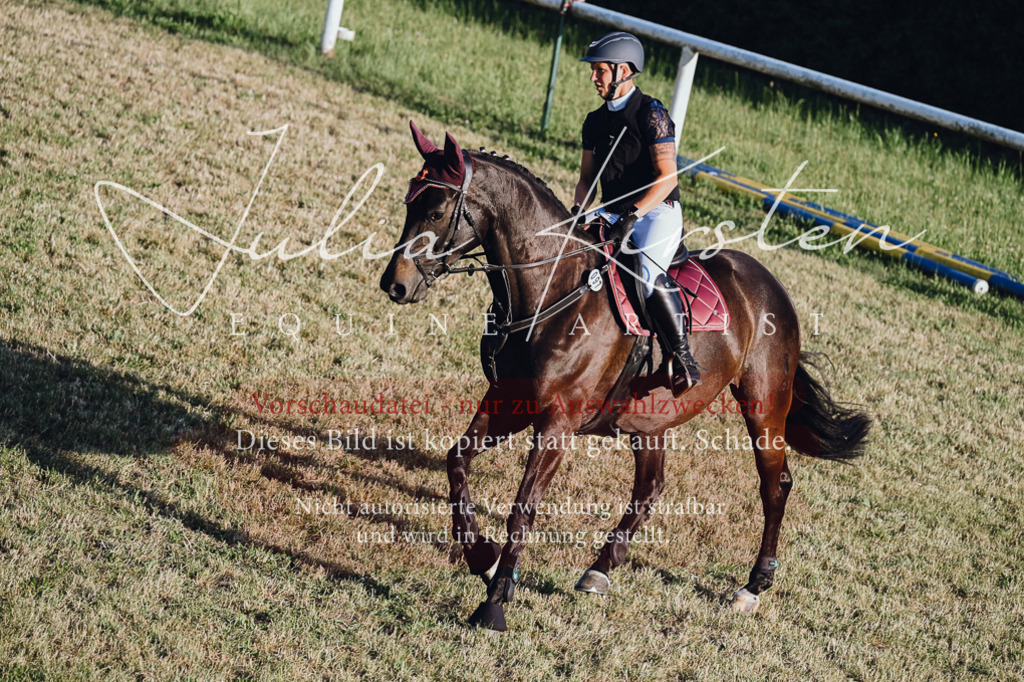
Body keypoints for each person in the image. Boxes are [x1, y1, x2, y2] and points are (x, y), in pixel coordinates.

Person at [573, 31, 701, 395]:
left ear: (624, 70)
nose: (594, 77)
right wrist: (578, 212)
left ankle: (682, 359)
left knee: (646, 273)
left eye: (600, 70)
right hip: (613, 212)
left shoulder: (653, 114)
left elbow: (666, 177)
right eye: (594, 71)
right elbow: (586, 180)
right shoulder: (593, 122)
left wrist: (633, 213)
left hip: (657, 210)